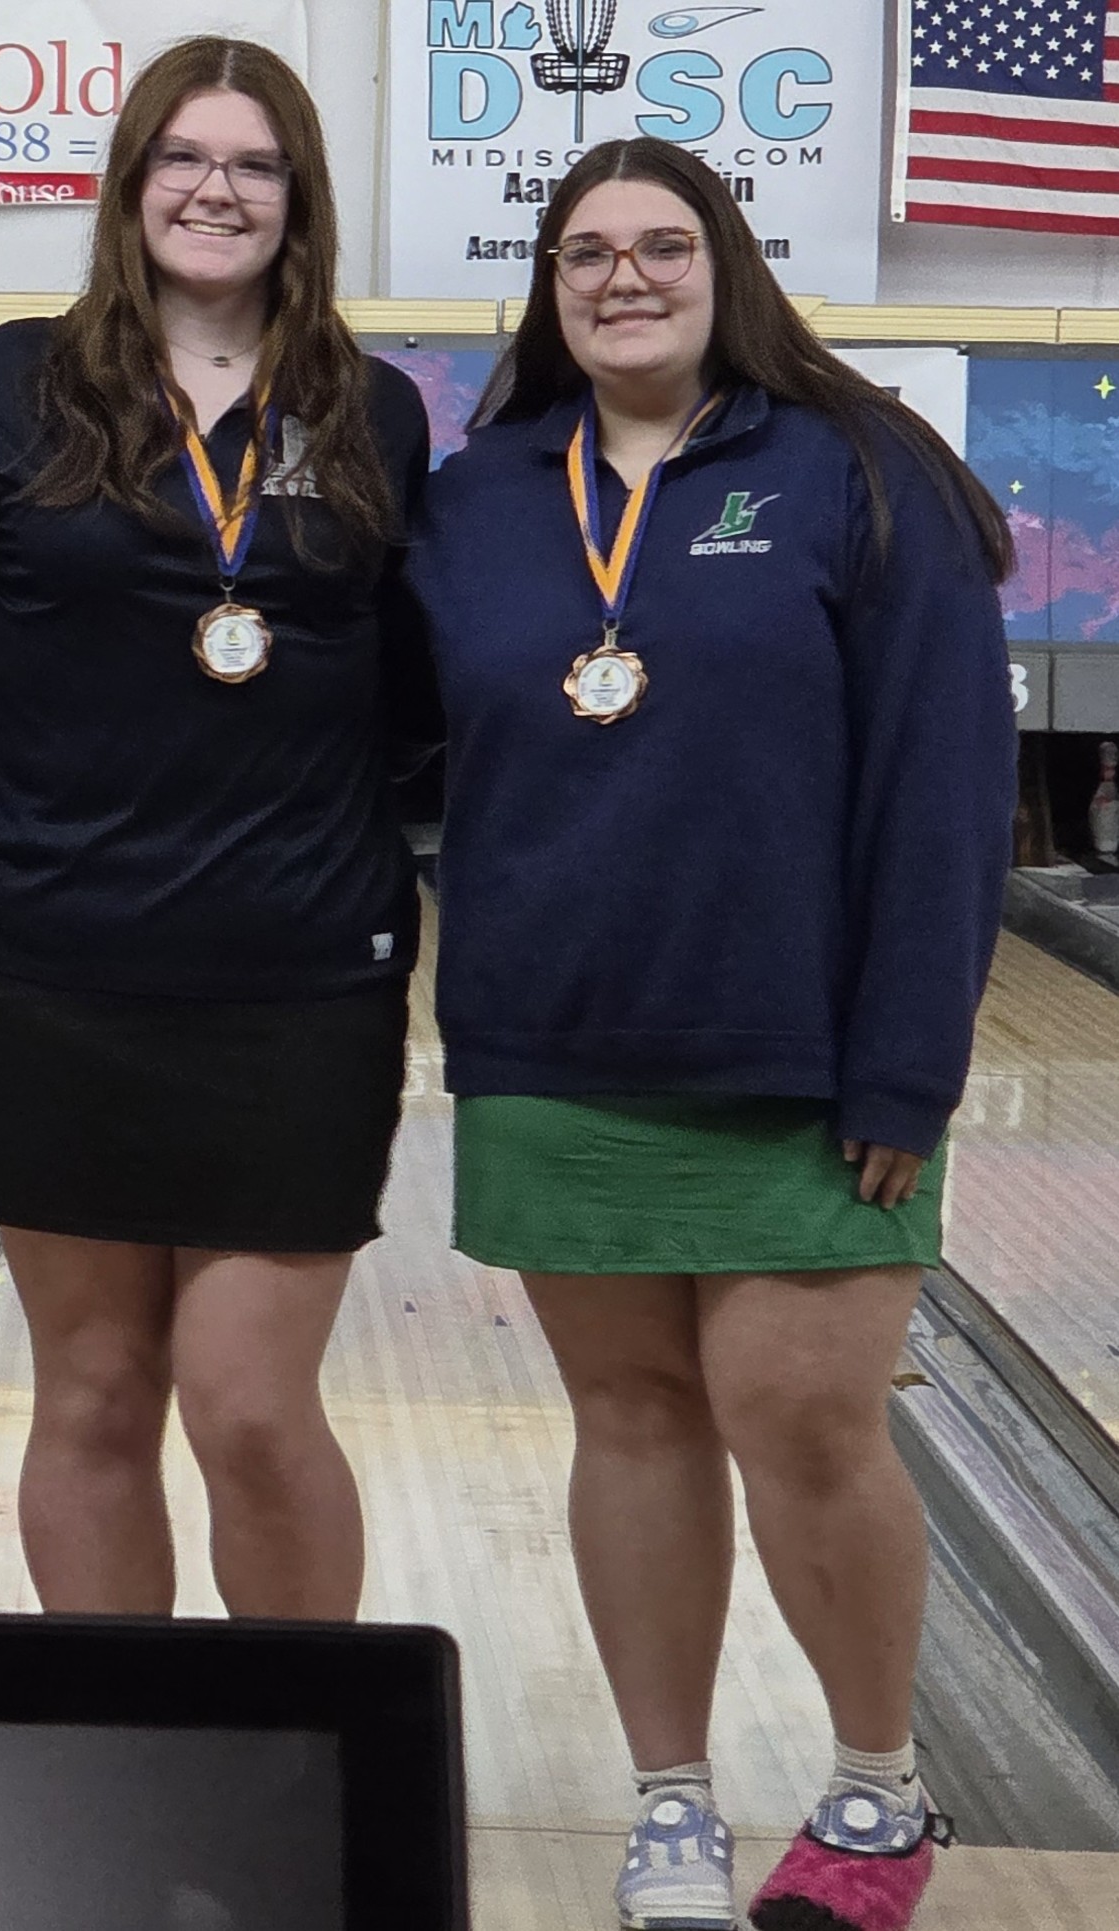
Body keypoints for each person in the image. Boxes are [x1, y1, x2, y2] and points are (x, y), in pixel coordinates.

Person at [419, 138, 1014, 1931]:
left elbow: (946, 785)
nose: (620, 278)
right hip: (549, 1037)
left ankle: (874, 1793)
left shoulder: (855, 470)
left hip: (799, 1048)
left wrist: (906, 1056)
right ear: (547, 285)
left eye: (659, 246)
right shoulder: (479, 496)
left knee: (800, 1413)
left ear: (723, 265)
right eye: (583, 252)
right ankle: (668, 1798)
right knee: (628, 1417)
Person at [0, 36, 427, 1625]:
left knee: (253, 1410)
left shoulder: (373, 410)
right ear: (131, 183)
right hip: (44, 961)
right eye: (184, 158)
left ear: (298, 198)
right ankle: (124, 1769)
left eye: (255, 163)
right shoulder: (10, 382)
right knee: (87, 1396)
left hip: (292, 974)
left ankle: (302, 1779)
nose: (216, 189)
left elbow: (407, 694)